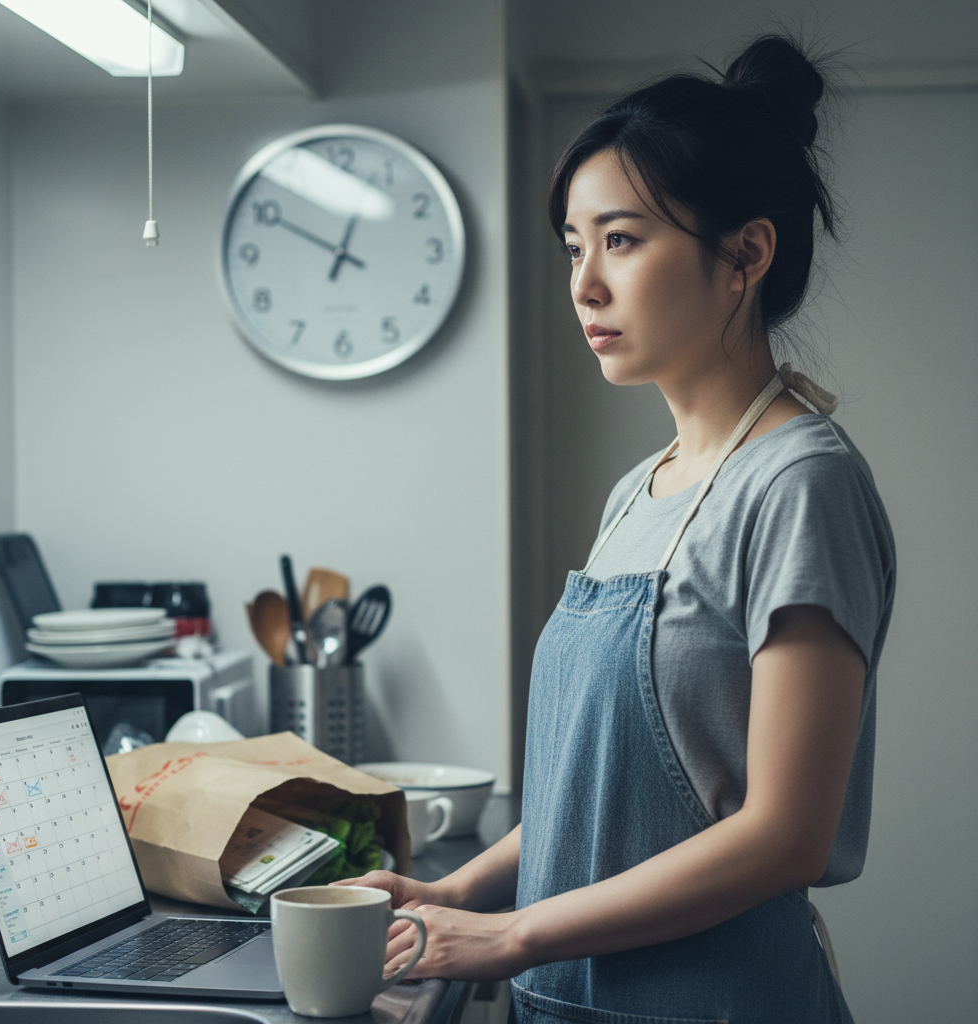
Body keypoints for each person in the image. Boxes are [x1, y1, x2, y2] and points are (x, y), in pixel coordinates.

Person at [338, 34, 896, 1024]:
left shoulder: (800, 483)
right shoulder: (640, 490)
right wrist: (457, 894)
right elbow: (583, 796)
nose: (583, 285)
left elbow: (785, 835)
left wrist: (510, 935)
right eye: (573, 246)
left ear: (745, 254)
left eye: (623, 240)